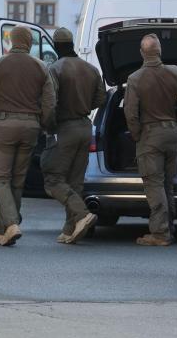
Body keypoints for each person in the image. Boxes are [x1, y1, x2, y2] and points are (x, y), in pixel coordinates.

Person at [124, 34, 177, 246]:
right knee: (167, 184)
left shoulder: (135, 79)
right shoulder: (175, 72)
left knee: (154, 184)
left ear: (142, 53)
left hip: (150, 136)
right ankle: (168, 227)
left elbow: (130, 113)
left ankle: (160, 233)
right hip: (172, 133)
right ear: (160, 52)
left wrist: (137, 136)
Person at [0, 26, 55, 246]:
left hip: (4, 125)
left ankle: (11, 224)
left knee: (1, 178)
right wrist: (42, 124)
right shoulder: (41, 67)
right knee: (18, 181)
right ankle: (2, 232)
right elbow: (50, 102)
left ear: (11, 41)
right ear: (29, 42)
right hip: (31, 126)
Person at [40, 28, 105, 244]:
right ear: (72, 44)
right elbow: (100, 99)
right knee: (75, 182)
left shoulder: (55, 69)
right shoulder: (91, 69)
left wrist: (49, 126)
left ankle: (82, 214)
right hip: (85, 128)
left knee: (53, 180)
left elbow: (49, 103)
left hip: (64, 128)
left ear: (57, 47)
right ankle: (71, 229)